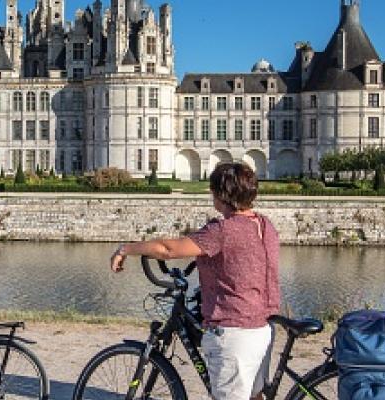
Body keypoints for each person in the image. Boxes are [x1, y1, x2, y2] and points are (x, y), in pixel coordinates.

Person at [109, 162, 281, 400]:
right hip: (262, 327)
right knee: (254, 395)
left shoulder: (223, 230)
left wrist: (126, 248)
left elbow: (167, 249)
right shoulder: (264, 224)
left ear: (221, 195)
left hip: (235, 331)